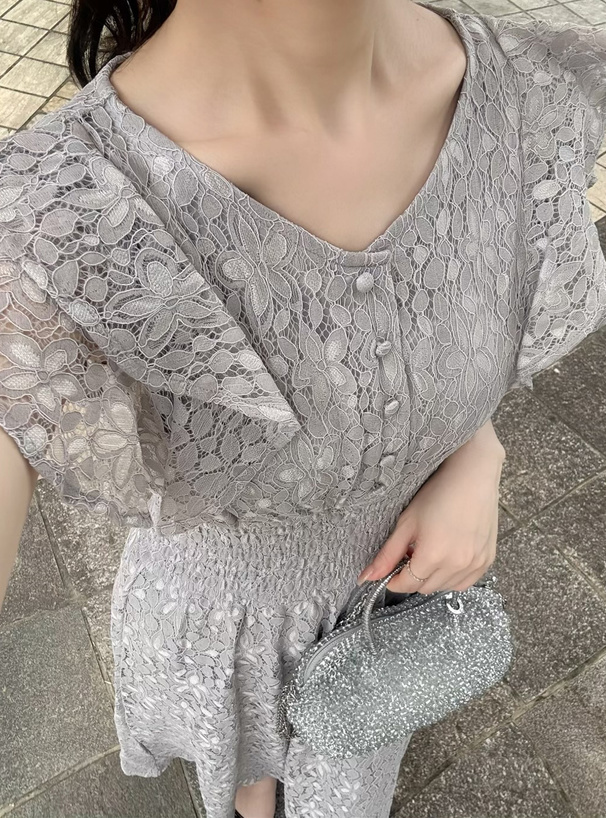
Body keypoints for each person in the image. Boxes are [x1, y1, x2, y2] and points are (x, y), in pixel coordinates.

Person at [0, 0, 605, 815]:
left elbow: (411, 342)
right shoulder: (46, 223)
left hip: (394, 602)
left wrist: (476, 451)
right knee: (248, 777)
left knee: (351, 773)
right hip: (225, 623)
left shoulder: (529, 92)